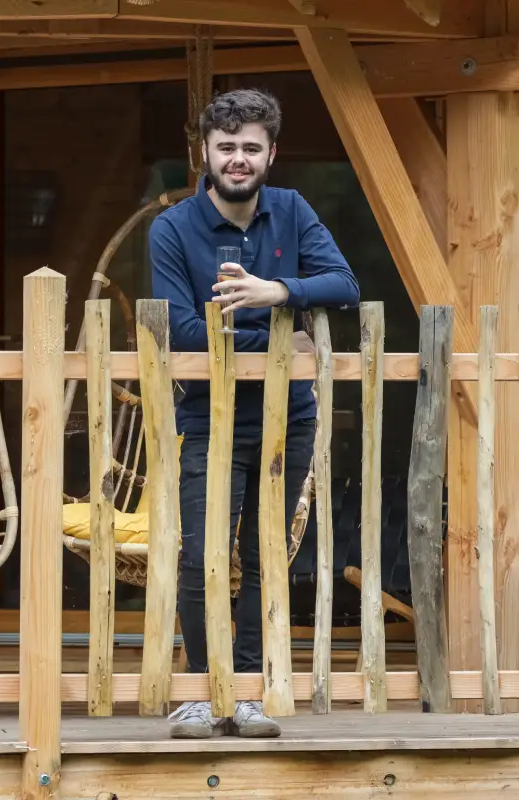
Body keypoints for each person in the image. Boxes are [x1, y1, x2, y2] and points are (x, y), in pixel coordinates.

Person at [149, 88, 360, 739]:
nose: (237, 159)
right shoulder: (173, 229)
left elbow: (345, 286)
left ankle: (246, 692)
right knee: (201, 555)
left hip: (285, 416)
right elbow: (181, 330)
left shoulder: (292, 211)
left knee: (267, 555)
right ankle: (200, 690)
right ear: (203, 153)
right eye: (226, 147)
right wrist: (282, 334)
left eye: (250, 148)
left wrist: (277, 291)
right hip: (208, 417)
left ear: (270, 154)